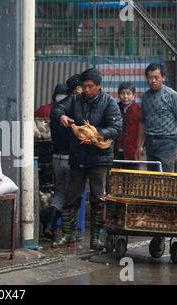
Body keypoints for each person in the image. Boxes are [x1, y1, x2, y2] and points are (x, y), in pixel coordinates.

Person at [51, 68, 122, 250]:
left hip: (100, 158)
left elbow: (116, 127)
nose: (87, 90)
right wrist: (62, 116)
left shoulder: (109, 103)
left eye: (90, 86)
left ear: (98, 86)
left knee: (99, 198)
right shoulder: (75, 100)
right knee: (71, 196)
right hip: (78, 156)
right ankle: (68, 235)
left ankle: (96, 238)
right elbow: (57, 108)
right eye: (84, 86)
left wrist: (97, 133)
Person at [43, 78, 82, 241]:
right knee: (73, 195)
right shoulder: (76, 107)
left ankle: (49, 225)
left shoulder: (57, 108)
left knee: (59, 193)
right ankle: (69, 232)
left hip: (57, 158)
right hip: (71, 159)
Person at [134, 63, 177, 173]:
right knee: (152, 177)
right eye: (150, 78)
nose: (153, 81)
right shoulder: (145, 97)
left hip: (167, 142)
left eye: (156, 77)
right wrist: (139, 146)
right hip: (149, 142)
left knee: (166, 177)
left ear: (163, 77)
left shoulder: (173, 96)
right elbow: (142, 122)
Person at [115, 82, 141, 162]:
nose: (125, 96)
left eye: (128, 93)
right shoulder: (114, 109)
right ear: (118, 95)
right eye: (122, 93)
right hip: (116, 150)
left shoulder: (139, 110)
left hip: (132, 151)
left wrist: (140, 147)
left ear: (133, 96)